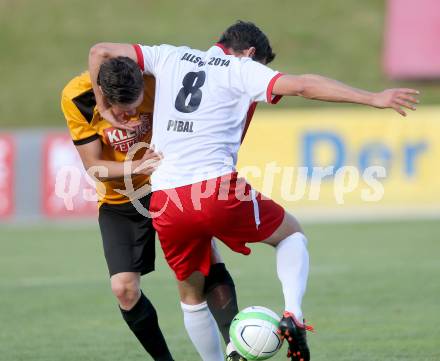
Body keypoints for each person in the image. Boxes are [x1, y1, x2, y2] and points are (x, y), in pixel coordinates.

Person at [87, 21, 419, 361]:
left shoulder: (171, 56)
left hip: (166, 198)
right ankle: (294, 315)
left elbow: (99, 51)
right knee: (291, 236)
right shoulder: (242, 69)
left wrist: (102, 107)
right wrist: (373, 97)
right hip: (215, 189)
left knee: (191, 295)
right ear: (249, 53)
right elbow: (303, 85)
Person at [60, 61, 242, 361]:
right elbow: (94, 166)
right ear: (102, 95)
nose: (131, 117)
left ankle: (235, 347)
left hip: (167, 185)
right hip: (121, 199)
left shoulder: (158, 79)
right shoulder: (76, 97)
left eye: (134, 107)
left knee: (204, 261)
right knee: (124, 289)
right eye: (121, 111)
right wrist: (137, 166)